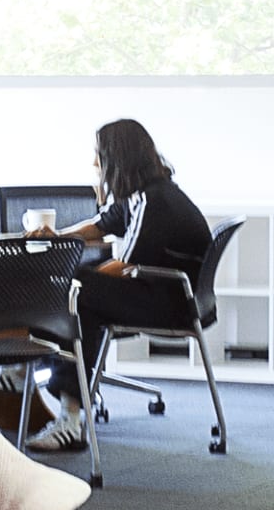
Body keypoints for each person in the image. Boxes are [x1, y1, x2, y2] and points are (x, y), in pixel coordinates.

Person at [30, 119, 213, 451]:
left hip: (169, 303)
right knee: (80, 291)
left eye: (98, 155)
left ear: (117, 158)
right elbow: (100, 225)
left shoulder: (153, 202)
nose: (94, 164)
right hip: (170, 295)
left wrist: (64, 283)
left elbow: (123, 267)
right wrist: (60, 238)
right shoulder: (145, 194)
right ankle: (47, 392)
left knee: (78, 291)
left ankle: (57, 405)